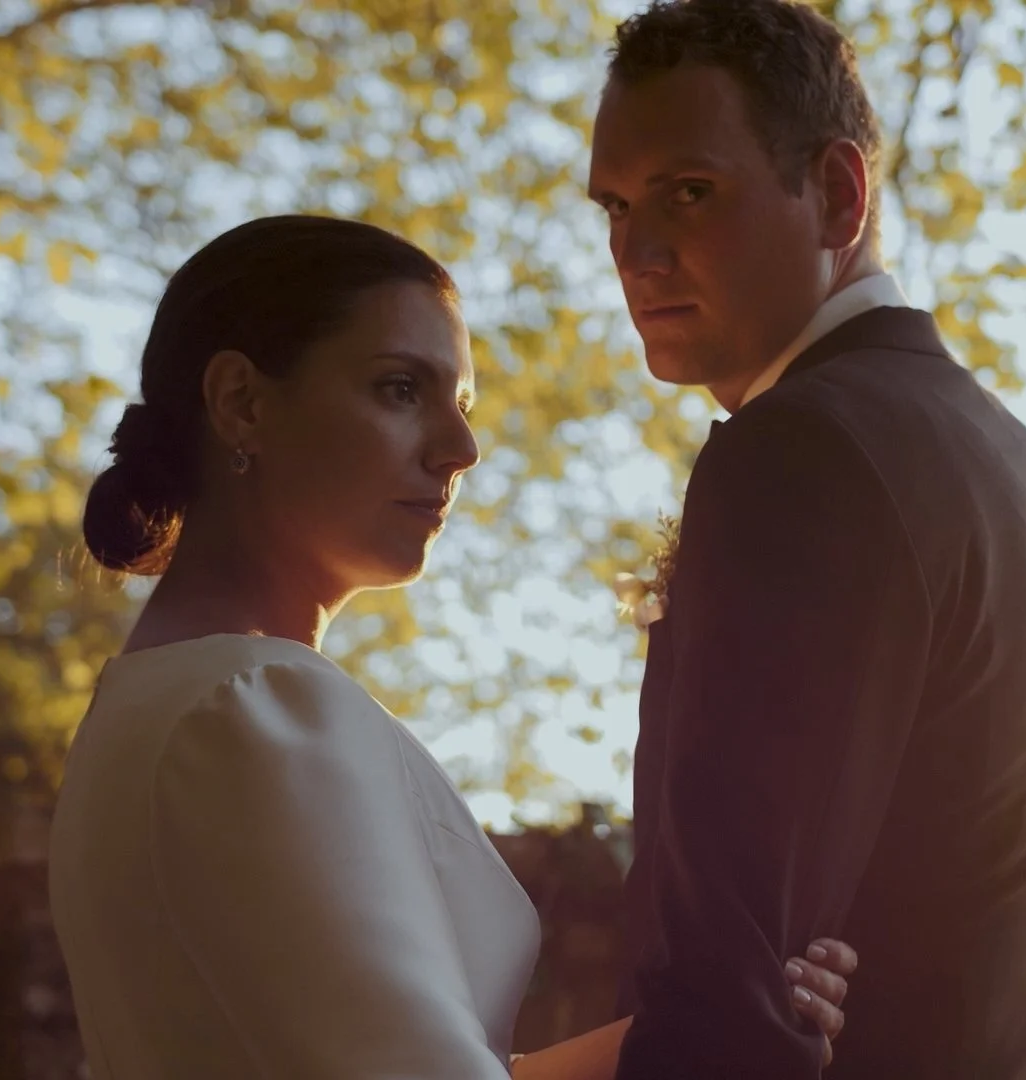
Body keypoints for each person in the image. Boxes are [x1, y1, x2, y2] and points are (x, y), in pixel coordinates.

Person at [48, 214, 856, 1080]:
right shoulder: (253, 710)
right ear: (242, 402)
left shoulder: (143, 713)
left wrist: (709, 1033)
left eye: (461, 406)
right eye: (400, 389)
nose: (462, 450)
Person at [587, 2, 1026, 1077]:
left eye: (690, 192)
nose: (637, 253)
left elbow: (729, 1005)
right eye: (617, 206)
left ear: (838, 193)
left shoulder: (806, 451)